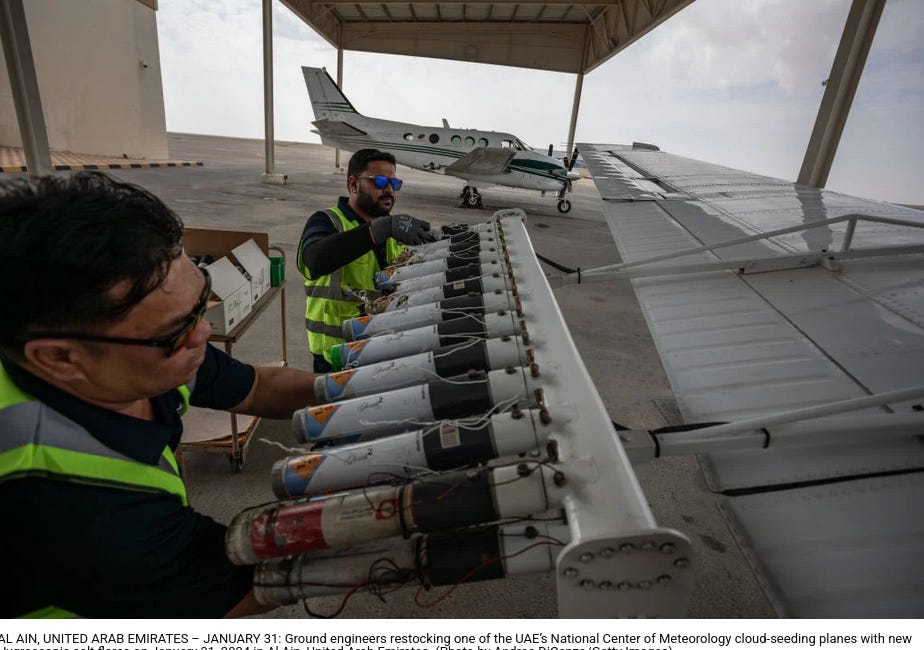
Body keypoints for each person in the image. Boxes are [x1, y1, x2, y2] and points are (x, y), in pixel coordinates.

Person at [0, 172, 320, 618]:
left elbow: (257, 386)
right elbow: (229, 590)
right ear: (59, 357)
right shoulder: (68, 504)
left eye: (200, 301)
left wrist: (356, 391)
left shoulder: (135, 353)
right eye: (177, 330)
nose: (203, 333)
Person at [297, 149, 437, 372]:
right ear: (354, 184)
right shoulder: (327, 221)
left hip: (384, 348)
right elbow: (314, 260)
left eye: (394, 183)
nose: (389, 190)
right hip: (337, 356)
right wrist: (377, 231)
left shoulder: (395, 231)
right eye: (380, 182)